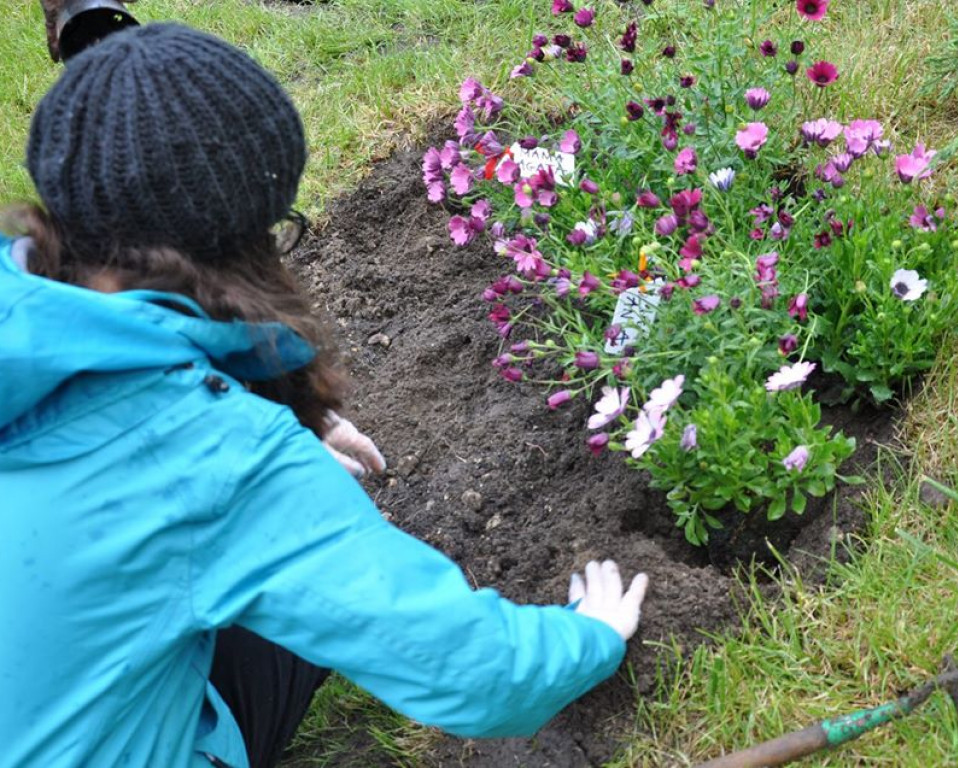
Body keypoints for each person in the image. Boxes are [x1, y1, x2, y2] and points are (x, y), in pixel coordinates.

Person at [0, 22, 649, 768]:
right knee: (288, 621)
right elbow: (477, 676)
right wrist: (588, 636)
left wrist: (259, 409)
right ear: (246, 229)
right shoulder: (213, 458)